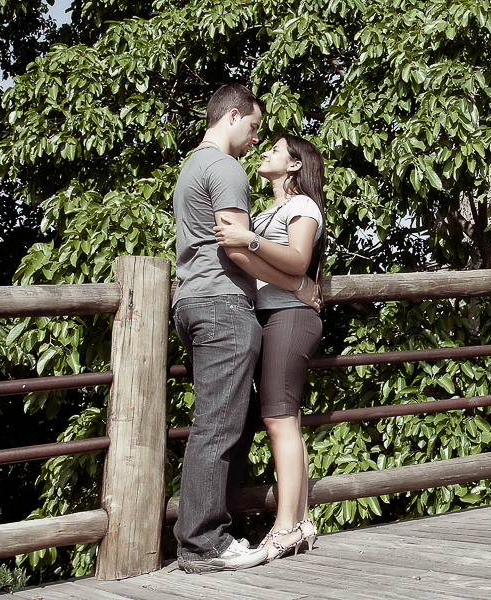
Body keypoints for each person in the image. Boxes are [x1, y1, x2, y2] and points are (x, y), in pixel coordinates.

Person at [172, 84, 319, 574]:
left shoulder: (191, 165)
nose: (256, 138)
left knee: (218, 421)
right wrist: (298, 286)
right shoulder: (226, 168)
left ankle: (207, 537)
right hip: (221, 306)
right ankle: (204, 543)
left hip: (191, 302)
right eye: (254, 127)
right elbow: (237, 249)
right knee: (220, 425)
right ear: (232, 116)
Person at [213, 134, 326, 562]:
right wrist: (297, 283)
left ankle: (284, 529)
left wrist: (248, 239)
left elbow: (297, 259)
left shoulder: (302, 207)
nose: (265, 152)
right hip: (273, 316)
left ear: (295, 166)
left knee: (278, 420)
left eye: (276, 149)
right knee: (288, 420)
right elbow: (283, 272)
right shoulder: (267, 212)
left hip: (289, 320)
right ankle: (301, 521)